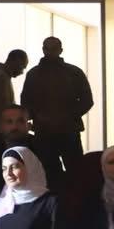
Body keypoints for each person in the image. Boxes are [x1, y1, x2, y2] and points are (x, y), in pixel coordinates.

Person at [22, 36, 95, 176]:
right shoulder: (34, 74)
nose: (50, 52)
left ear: (60, 50)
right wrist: (37, 117)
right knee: (50, 174)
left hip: (65, 131)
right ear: (43, 50)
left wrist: (67, 116)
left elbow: (87, 100)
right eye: (48, 48)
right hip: (46, 132)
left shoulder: (73, 72)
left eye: (54, 48)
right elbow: (26, 102)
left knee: (75, 172)